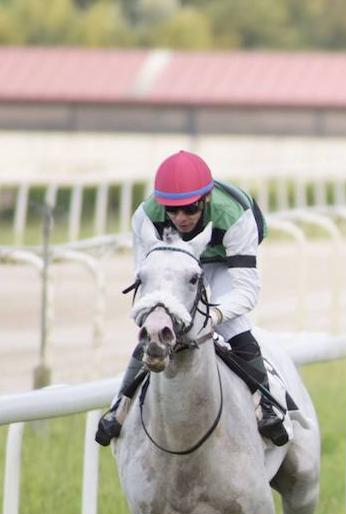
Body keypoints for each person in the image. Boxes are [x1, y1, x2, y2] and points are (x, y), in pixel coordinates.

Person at [95, 150, 286, 447]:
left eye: (190, 209)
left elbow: (247, 292)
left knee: (235, 329)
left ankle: (268, 407)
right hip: (172, 262)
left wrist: (215, 316)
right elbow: (145, 278)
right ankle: (120, 406)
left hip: (223, 260)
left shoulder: (234, 216)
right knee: (154, 329)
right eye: (172, 210)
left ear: (206, 199)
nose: (181, 218)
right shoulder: (145, 217)